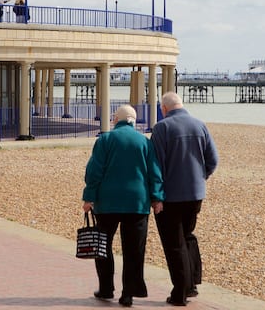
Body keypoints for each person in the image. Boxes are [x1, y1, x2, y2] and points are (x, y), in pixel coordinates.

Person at [82, 104, 164, 307]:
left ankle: (106, 288)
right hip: (137, 203)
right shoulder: (144, 142)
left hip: (107, 202)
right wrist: (157, 198)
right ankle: (128, 293)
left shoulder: (105, 140)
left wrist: (89, 197)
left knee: (102, 245)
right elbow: (154, 173)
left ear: (115, 119)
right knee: (134, 249)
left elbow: (94, 171)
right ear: (133, 121)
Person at [150, 92, 219, 306]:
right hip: (195, 194)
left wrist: (156, 196)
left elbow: (155, 166)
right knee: (187, 236)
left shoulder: (162, 128)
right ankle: (192, 285)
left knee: (174, 243)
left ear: (164, 109)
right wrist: (201, 177)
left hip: (170, 196)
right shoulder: (199, 125)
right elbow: (213, 160)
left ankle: (180, 293)